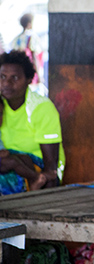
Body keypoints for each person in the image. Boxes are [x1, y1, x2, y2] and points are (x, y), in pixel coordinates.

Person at [0, 50, 65, 194]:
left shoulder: (41, 108)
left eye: (15, 78)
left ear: (29, 79)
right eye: (2, 77)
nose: (6, 83)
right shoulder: (1, 105)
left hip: (36, 170)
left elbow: (50, 171)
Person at [10, 13, 44, 87]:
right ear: (29, 24)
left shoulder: (17, 39)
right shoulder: (31, 37)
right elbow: (34, 57)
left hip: (19, 71)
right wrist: (39, 75)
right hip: (30, 70)